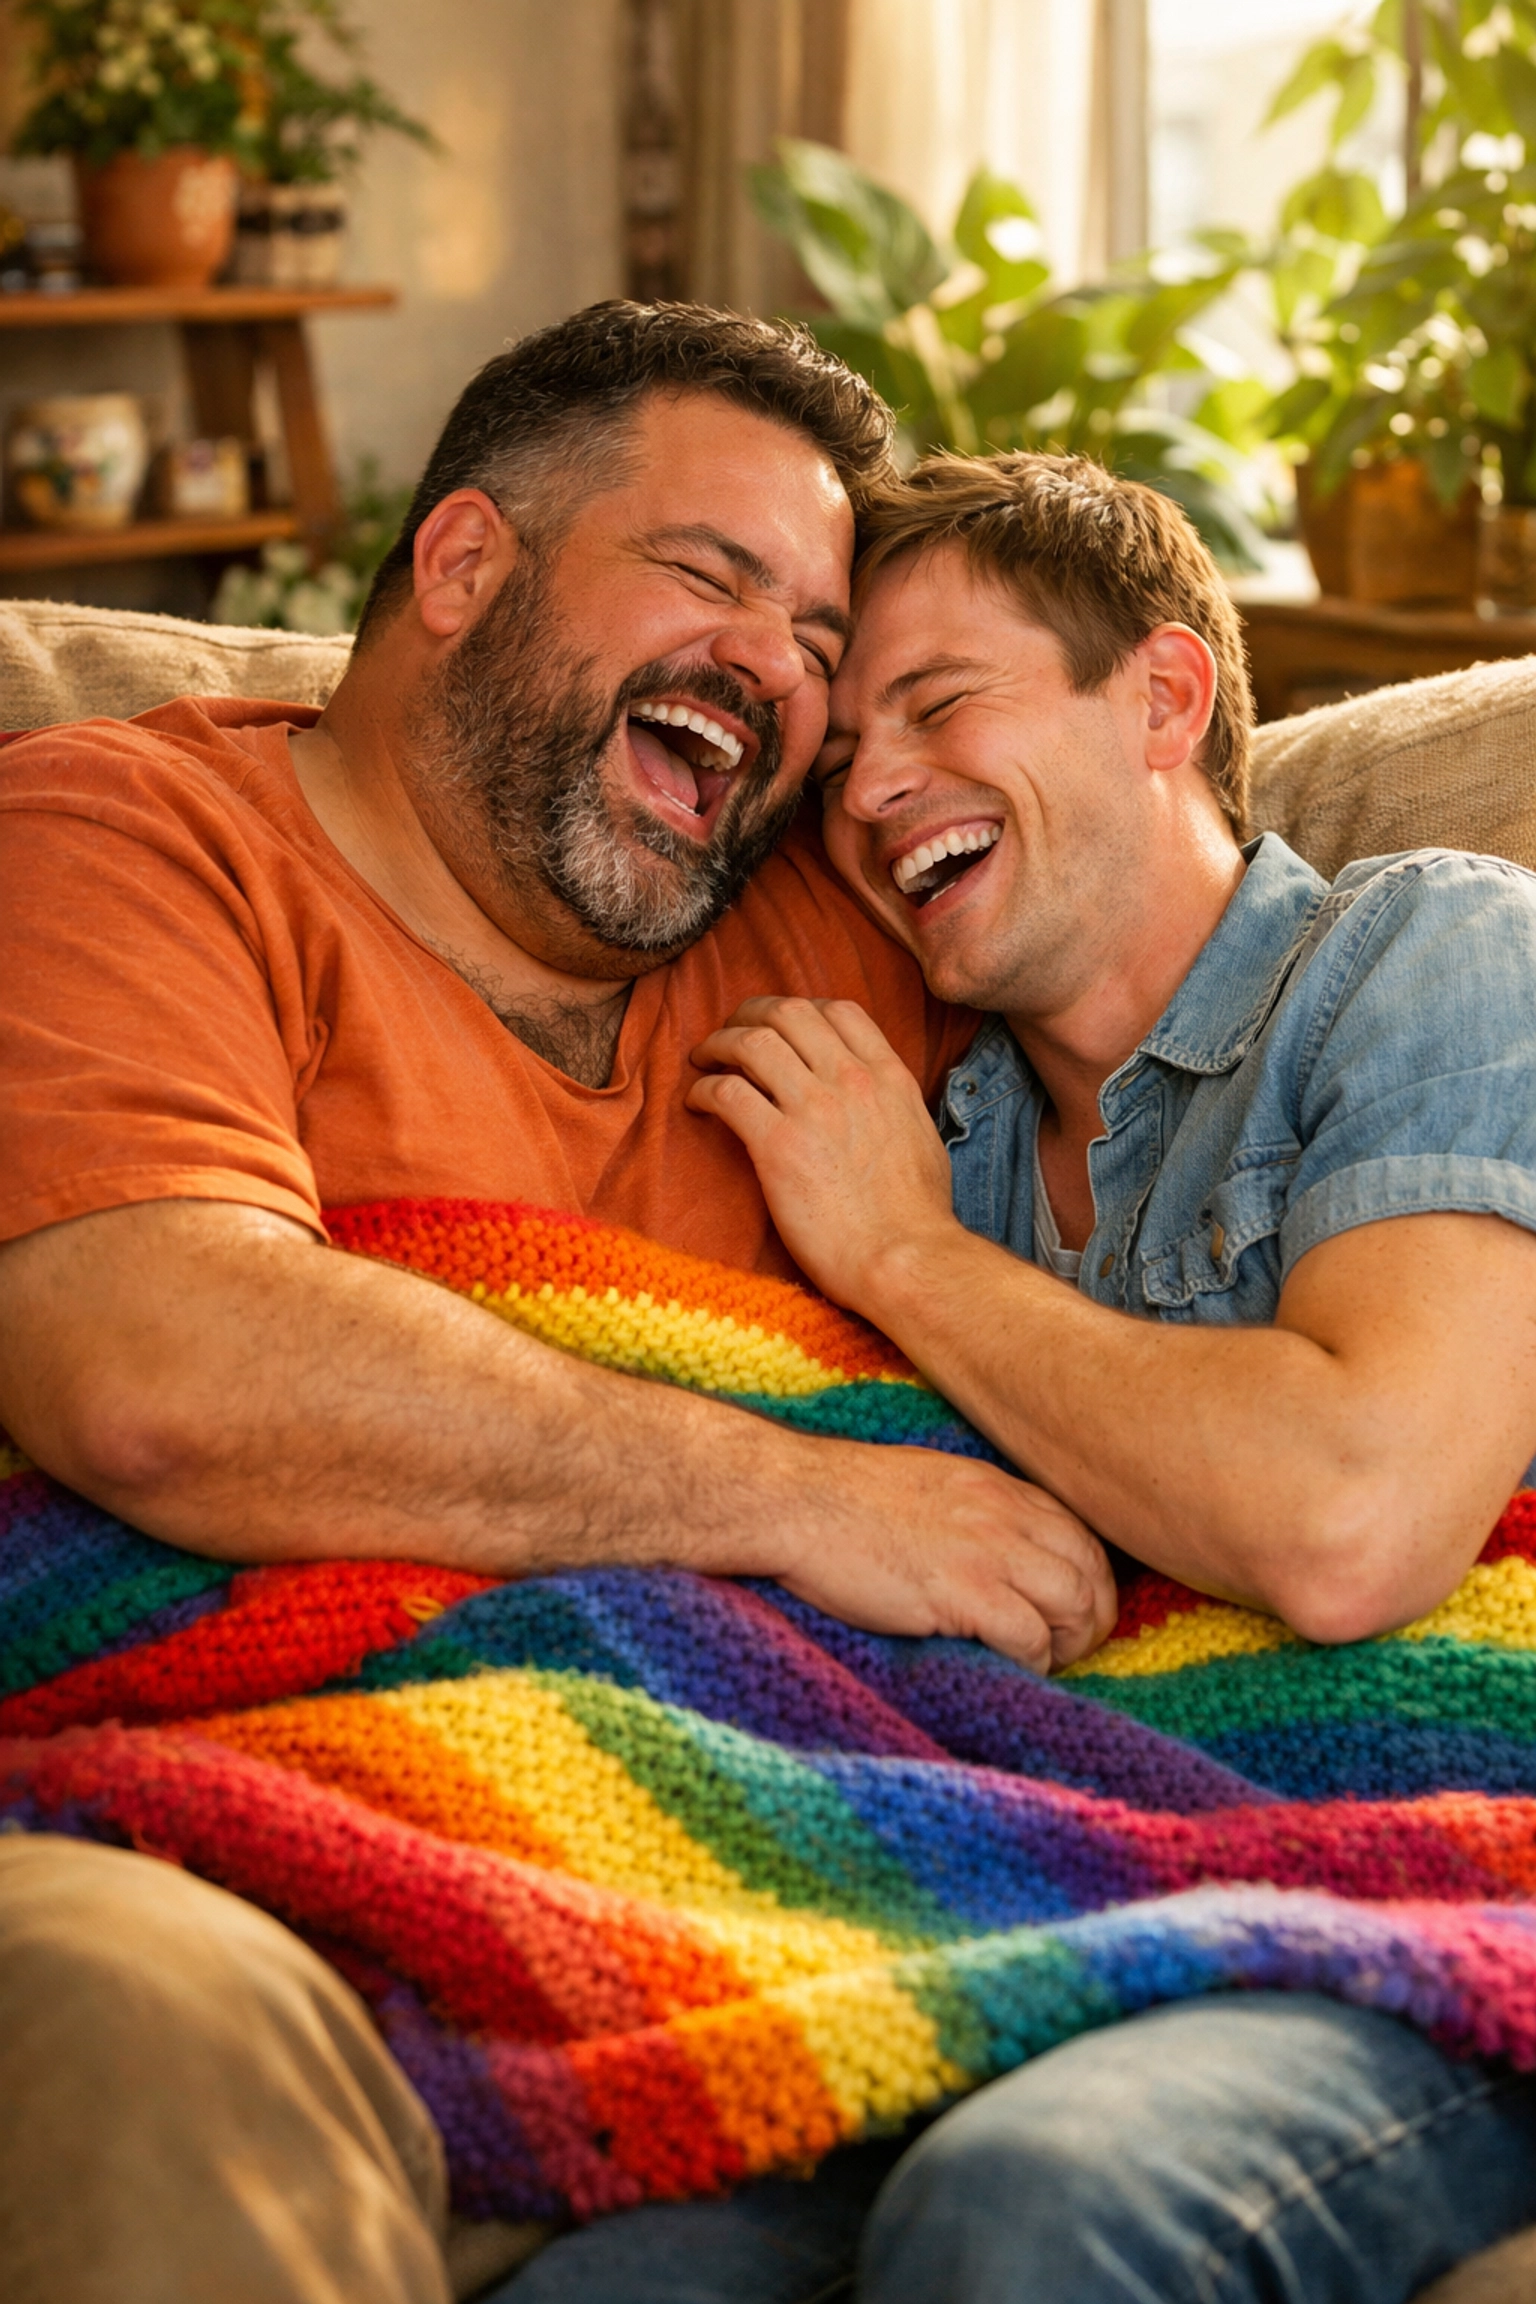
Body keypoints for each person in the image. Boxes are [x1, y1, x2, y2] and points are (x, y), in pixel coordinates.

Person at [0, 314, 1113, 2304]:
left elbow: (1191, 968)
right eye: (715, 577)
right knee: (118, 2009)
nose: (784, 676)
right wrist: (808, 1498)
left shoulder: (835, 919)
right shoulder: (119, 839)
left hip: (751, 1887)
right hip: (216, 1830)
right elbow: (152, 1367)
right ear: (463, 568)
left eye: (825, 644)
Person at [609, 448, 1536, 2304]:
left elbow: (1353, 1517)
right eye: (844, 748)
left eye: (942, 705)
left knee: (1037, 2210)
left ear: (1165, 698)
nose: (869, 793)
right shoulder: (896, 1128)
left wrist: (904, 1263)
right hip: (1011, 1907)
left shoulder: (1433, 953)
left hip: (1421, 1910)